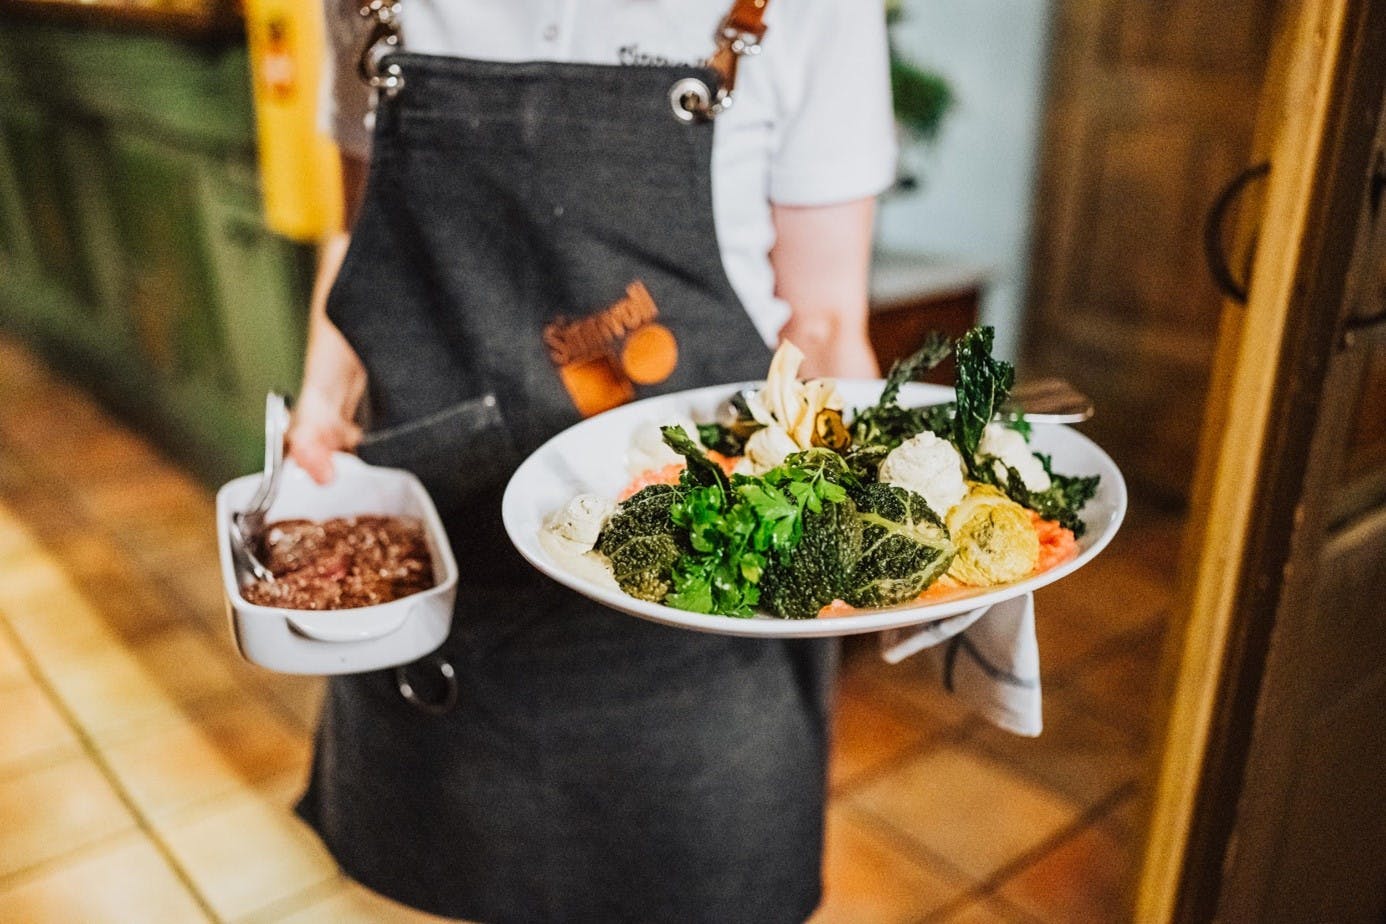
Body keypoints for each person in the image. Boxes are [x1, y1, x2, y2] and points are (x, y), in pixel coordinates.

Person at [287, 1, 896, 920]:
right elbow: (360, 228)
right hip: (446, 555)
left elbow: (825, 324)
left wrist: (889, 520)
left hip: (704, 582)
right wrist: (321, 399)